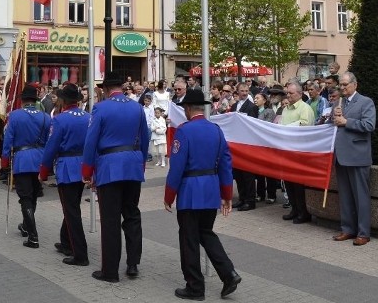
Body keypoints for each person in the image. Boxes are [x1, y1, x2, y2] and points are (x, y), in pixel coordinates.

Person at [164, 88, 241, 301]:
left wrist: (169, 195)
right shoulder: (215, 130)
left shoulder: (184, 131)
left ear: (188, 109)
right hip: (211, 189)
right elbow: (226, 164)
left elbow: (177, 167)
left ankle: (195, 287)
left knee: (189, 238)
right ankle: (229, 273)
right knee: (206, 233)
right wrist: (226, 194)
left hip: (190, 190)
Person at [82, 72, 150, 283]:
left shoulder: (100, 108)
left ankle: (110, 271)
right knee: (132, 215)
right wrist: (141, 165)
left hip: (109, 166)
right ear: (121, 86)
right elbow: (145, 139)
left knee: (110, 219)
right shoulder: (137, 107)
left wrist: (87, 170)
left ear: (104, 89)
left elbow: (91, 141)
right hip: (132, 164)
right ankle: (132, 264)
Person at [39, 83, 90, 265]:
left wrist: (44, 171)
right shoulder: (87, 117)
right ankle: (66, 241)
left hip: (67, 167)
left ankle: (80, 253)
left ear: (63, 100)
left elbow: (51, 147)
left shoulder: (60, 120)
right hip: (83, 166)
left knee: (71, 211)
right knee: (72, 206)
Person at [4, 84, 51, 249]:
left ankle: (33, 237)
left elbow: (8, 139)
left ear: (23, 100)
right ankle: (25, 226)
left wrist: (4, 159)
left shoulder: (15, 115)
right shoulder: (46, 117)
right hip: (39, 159)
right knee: (33, 196)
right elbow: (47, 141)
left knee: (25, 197)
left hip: (22, 159)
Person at [331, 72, 376, 246]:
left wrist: (346, 121)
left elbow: (369, 125)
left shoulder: (366, 102)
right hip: (341, 156)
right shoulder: (338, 103)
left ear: (355, 85)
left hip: (357, 156)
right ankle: (347, 229)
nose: (342, 88)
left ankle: (364, 232)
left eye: (345, 85)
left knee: (361, 196)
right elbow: (333, 126)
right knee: (345, 196)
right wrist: (332, 119)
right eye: (340, 85)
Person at [281, 82, 315, 223]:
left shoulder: (305, 108)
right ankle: (294, 209)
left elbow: (305, 125)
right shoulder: (286, 109)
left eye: (291, 93)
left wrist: (288, 127)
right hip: (287, 149)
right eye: (287, 93)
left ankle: (303, 212)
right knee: (289, 182)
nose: (288, 95)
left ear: (300, 94)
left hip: (300, 151)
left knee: (299, 184)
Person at [230, 82, 258, 211]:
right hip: (236, 143)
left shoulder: (252, 106)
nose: (245, 93)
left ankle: (250, 200)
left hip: (247, 144)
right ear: (237, 91)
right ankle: (242, 198)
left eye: (246, 91)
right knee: (238, 173)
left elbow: (253, 125)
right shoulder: (234, 106)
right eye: (242, 91)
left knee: (248, 174)